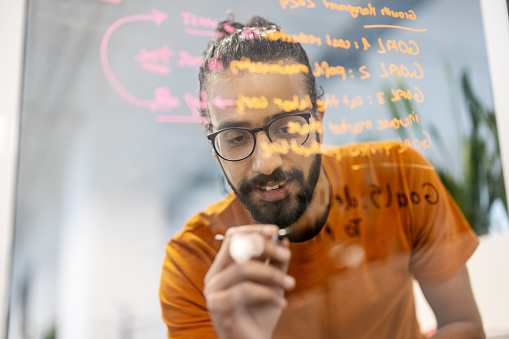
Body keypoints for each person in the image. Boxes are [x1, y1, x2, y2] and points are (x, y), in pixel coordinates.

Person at [159, 15, 485, 339]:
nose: (266, 163)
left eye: (287, 127)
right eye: (236, 137)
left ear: (318, 123)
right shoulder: (192, 264)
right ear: (215, 148)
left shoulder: (397, 178)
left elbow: (463, 326)